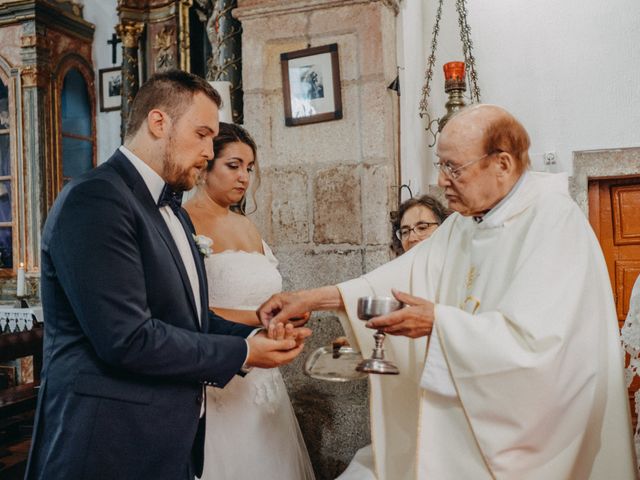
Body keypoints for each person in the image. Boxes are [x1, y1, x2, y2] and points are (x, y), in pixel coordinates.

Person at [258, 104, 636, 479]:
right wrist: (313, 298)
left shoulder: (553, 222)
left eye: (454, 168)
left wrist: (438, 323)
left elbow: (543, 348)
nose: (441, 180)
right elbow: (398, 278)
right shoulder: (465, 224)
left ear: (502, 164)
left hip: (527, 442)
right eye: (440, 165)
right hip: (464, 431)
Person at [25, 70, 310, 480]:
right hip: (108, 443)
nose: (210, 151)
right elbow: (127, 339)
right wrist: (245, 354)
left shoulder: (172, 210)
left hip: (169, 439)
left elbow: (190, 319)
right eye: (202, 134)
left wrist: (253, 337)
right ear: (159, 123)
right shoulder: (96, 200)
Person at [184, 122, 315, 479]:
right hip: (222, 370)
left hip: (263, 376)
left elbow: (263, 298)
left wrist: (285, 315)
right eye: (233, 165)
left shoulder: (247, 225)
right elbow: (187, 309)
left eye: (250, 168)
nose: (244, 177)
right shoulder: (185, 223)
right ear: (206, 166)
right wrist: (259, 321)